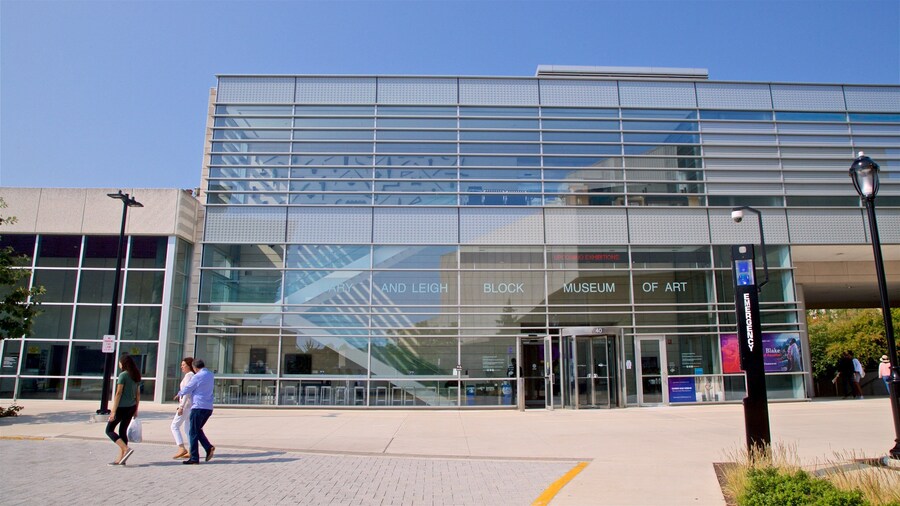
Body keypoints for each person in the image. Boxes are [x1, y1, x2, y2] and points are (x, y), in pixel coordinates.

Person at [174, 358, 216, 464]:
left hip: (198, 407)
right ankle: (208, 448)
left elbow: (188, 388)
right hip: (208, 407)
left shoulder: (197, 376)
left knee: (192, 432)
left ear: (194, 367)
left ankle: (194, 457)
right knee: (197, 430)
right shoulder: (210, 374)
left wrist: (179, 394)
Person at [105, 353, 141, 466]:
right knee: (122, 431)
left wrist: (113, 411)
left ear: (123, 364)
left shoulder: (123, 375)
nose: (119, 364)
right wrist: (136, 409)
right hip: (131, 406)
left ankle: (125, 449)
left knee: (109, 430)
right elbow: (138, 394)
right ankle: (121, 459)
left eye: (120, 362)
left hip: (121, 407)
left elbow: (118, 393)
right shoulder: (135, 375)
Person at [171, 357, 195, 459]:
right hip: (190, 406)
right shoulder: (192, 375)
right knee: (187, 428)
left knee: (174, 426)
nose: (182, 367)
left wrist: (181, 406)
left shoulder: (189, 376)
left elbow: (187, 392)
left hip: (186, 406)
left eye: (183, 365)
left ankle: (181, 447)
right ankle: (191, 450)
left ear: (189, 366)